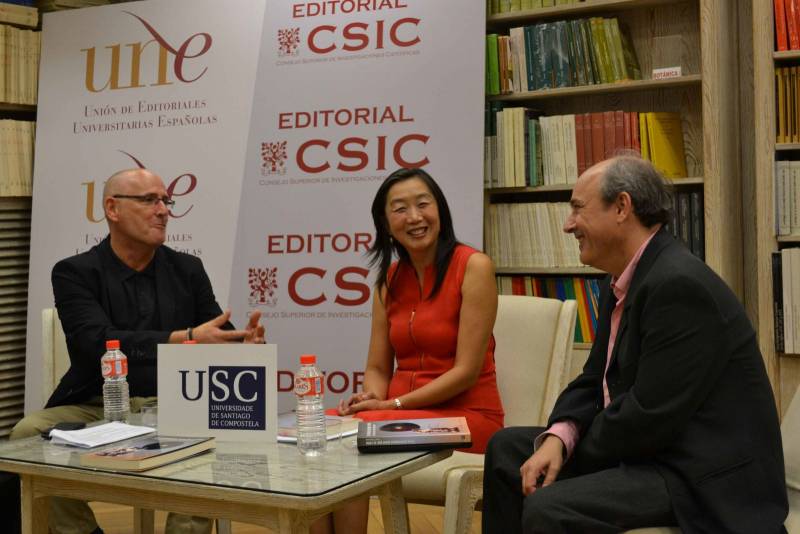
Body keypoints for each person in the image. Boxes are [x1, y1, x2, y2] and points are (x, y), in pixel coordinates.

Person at [482, 155, 788, 533]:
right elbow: (593, 380)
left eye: (577, 209)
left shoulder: (679, 286)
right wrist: (559, 439)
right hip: (650, 452)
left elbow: (649, 416)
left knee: (549, 507)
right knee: (506, 452)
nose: (568, 225)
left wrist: (573, 449)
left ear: (622, 207)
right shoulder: (625, 280)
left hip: (699, 475)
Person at [10, 168, 265, 534]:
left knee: (218, 428)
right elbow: (94, 344)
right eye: (149, 200)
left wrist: (244, 347)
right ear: (112, 209)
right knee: (28, 431)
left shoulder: (187, 269)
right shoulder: (75, 272)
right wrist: (184, 337)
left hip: (175, 404)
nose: (163, 210)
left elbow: (216, 337)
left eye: (166, 200)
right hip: (96, 403)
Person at [311, 167, 504, 534]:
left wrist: (390, 407)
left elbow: (465, 371)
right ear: (385, 224)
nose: (414, 217)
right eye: (400, 209)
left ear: (440, 210)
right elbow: (378, 367)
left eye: (423, 204)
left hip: (467, 417)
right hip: (402, 418)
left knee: (355, 438)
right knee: (322, 430)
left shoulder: (473, 266)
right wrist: (372, 396)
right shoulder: (388, 282)